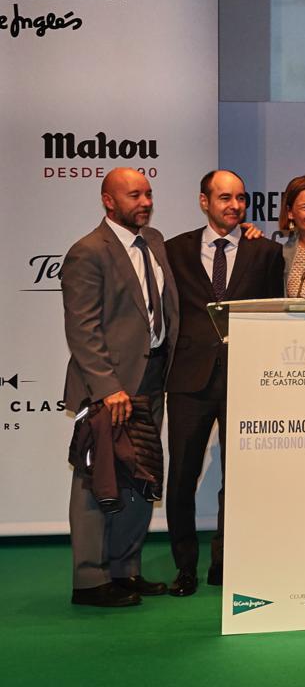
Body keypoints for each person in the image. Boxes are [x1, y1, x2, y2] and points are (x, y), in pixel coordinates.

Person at [61, 168, 178, 607]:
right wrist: (107, 386)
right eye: (134, 195)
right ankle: (89, 580)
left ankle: (124, 569)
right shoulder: (87, 252)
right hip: (106, 388)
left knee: (140, 475)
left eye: (148, 193)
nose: (145, 201)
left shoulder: (157, 241)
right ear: (109, 201)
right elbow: (83, 328)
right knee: (96, 481)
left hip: (152, 380)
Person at [162, 169, 281, 595]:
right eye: (225, 198)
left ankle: (224, 561)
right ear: (204, 201)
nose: (234, 206)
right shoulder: (172, 249)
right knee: (181, 477)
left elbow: (273, 315)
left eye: (241, 199)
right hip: (189, 381)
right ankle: (185, 566)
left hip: (245, 379)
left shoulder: (264, 252)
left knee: (242, 477)